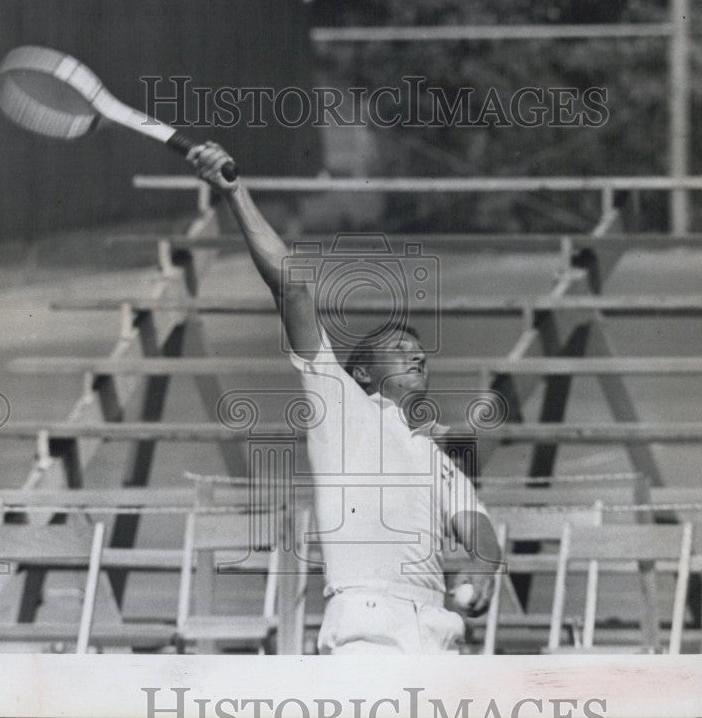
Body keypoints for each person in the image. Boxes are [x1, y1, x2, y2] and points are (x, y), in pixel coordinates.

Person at [189, 142, 502, 654]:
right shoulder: (341, 405)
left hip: (438, 631)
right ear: (360, 372)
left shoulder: (432, 454)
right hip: (367, 624)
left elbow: (476, 524)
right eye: (398, 348)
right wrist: (235, 192)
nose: (416, 354)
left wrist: (484, 563)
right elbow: (293, 288)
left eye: (420, 351)